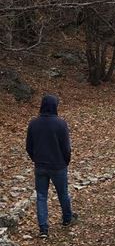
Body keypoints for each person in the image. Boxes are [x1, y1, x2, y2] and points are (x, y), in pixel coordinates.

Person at [26, 94, 77, 238]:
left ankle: (43, 228)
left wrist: (36, 159)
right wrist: (65, 161)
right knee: (63, 193)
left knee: (41, 196)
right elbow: (66, 147)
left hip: (40, 165)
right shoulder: (61, 124)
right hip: (58, 165)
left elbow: (29, 146)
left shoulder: (33, 123)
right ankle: (67, 218)